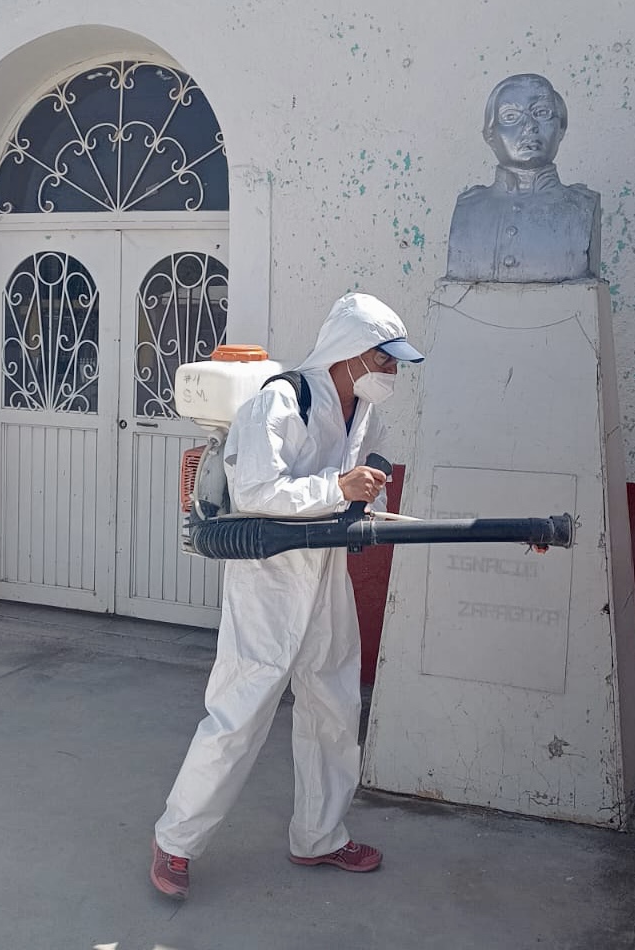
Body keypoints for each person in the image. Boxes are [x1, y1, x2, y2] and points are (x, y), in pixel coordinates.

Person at [150, 292, 424, 900]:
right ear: (351, 353)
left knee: (333, 707)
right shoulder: (281, 400)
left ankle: (319, 836)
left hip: (325, 574)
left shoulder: (365, 414)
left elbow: (364, 483)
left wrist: (366, 501)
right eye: (384, 360)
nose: (391, 373)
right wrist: (338, 487)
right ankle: (175, 842)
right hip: (269, 577)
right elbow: (255, 491)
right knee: (240, 713)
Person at [445, 73, 600, 283]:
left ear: (561, 128)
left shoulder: (582, 206)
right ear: (490, 134)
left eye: (542, 112)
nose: (529, 125)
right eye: (511, 116)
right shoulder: (468, 208)